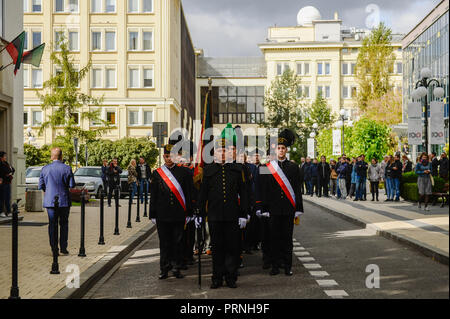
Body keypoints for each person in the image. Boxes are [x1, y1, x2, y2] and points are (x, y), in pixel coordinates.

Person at [198, 124, 249, 289]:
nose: (222, 153)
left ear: (229, 153)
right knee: (217, 248)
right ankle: (216, 277)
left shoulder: (237, 169)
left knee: (232, 248)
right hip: (214, 216)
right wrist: (199, 213)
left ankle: (231, 277)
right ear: (215, 153)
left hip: (232, 216)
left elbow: (245, 193)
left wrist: (244, 214)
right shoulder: (208, 171)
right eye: (219, 151)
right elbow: (203, 195)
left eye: (225, 151)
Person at [259, 129, 303, 277]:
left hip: (288, 209)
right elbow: (264, 189)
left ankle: (288, 266)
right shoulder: (267, 167)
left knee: (287, 239)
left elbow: (297, 188)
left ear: (286, 150)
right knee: (274, 238)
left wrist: (298, 208)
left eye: (283, 148)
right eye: (278, 148)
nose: (281, 150)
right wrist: (263, 208)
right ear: (275, 150)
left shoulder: (293, 167)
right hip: (273, 209)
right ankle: (275, 266)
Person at [150, 141, 194, 279]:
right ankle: (164, 268)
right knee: (164, 243)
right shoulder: (157, 174)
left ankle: (176, 267)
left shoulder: (185, 172)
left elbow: (189, 193)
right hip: (163, 215)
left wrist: (190, 212)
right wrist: (152, 214)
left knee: (178, 242)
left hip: (178, 214)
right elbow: (154, 196)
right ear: (164, 157)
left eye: (172, 156)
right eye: (167, 156)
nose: (170, 159)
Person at [38, 148, 76, 255]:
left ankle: (54, 248)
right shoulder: (67, 168)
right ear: (61, 157)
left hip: (50, 201)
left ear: (52, 157)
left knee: (52, 224)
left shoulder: (45, 169)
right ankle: (63, 248)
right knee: (64, 224)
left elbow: (40, 186)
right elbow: (72, 185)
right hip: (64, 200)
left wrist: (48, 191)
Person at [0, 151, 15, 218]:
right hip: (2, 183)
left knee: (7, 198)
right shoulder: (1, 164)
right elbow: (5, 171)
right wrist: (8, 172)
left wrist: (9, 173)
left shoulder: (6, 163)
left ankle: (8, 211)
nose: (5, 157)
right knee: (2, 198)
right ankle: (1, 211)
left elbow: (12, 169)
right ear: (1, 157)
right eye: (4, 156)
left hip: (7, 183)